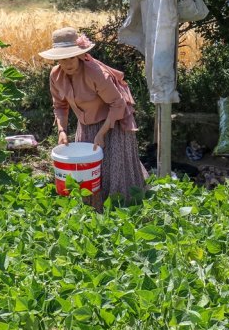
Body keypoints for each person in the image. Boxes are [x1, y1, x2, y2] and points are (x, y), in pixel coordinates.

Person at [39, 27, 148, 210]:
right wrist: (62, 130)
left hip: (113, 123)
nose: (67, 63)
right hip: (86, 125)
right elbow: (60, 106)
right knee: (87, 172)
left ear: (79, 56)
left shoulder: (95, 73)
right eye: (62, 59)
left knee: (114, 171)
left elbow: (118, 104)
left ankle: (122, 213)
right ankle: (93, 216)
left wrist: (102, 133)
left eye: (71, 57)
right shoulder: (56, 76)